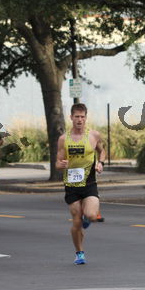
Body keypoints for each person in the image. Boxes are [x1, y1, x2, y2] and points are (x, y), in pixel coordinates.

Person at [56, 103, 106, 265]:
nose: (79, 120)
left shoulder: (94, 135)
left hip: (89, 183)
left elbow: (102, 151)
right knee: (76, 222)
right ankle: (79, 253)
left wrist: (100, 163)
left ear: (86, 118)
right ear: (71, 117)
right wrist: (60, 164)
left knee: (91, 216)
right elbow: (57, 162)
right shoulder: (63, 139)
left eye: (82, 117)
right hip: (71, 185)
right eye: (76, 116)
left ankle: (86, 218)